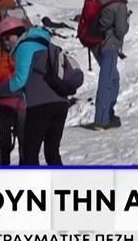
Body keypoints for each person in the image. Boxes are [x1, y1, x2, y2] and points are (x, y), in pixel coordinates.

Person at [8, 26, 82, 166]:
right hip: (61, 102)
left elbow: (20, 79)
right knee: (52, 151)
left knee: (30, 152)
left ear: (20, 36)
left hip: (40, 104)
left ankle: (32, 186)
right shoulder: (49, 46)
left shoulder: (25, 46)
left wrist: (6, 86)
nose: (7, 42)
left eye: (8, 37)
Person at [92, 0, 131, 131]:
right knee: (107, 81)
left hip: (97, 45)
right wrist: (127, 21)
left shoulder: (103, 0)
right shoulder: (120, 5)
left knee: (113, 79)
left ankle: (108, 113)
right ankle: (101, 120)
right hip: (110, 46)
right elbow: (121, 31)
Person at [0, 16, 28, 165]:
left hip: (7, 101)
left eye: (7, 38)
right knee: (16, 145)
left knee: (9, 145)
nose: (5, 41)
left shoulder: (11, 54)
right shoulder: (22, 52)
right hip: (14, 102)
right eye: (3, 38)